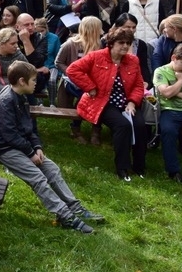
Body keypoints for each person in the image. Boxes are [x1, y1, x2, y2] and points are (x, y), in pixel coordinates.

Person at [0, 60, 104, 234]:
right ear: (22, 81)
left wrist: (37, 147)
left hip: (22, 146)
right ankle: (65, 216)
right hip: (5, 149)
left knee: (51, 169)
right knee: (37, 178)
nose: (36, 83)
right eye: (33, 80)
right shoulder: (5, 101)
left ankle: (75, 208)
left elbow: (29, 127)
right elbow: (10, 135)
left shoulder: (22, 97)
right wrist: (30, 153)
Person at [66, 27, 148, 181]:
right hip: (101, 102)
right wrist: (90, 87)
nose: (125, 46)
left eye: (128, 43)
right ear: (111, 43)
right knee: (122, 125)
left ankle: (139, 167)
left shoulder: (133, 60)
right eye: (121, 42)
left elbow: (138, 85)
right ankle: (122, 168)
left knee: (140, 125)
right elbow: (73, 70)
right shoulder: (96, 56)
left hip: (125, 102)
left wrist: (132, 102)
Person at [56, 16, 104, 144]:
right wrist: (72, 73)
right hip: (71, 81)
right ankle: (76, 127)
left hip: (93, 81)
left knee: (99, 96)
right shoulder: (70, 44)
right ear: (93, 29)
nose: (102, 31)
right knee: (86, 96)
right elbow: (58, 62)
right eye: (99, 28)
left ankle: (96, 129)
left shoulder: (100, 45)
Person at [153, 43, 182, 184]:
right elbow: (166, 93)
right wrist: (181, 81)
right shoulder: (161, 72)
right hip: (170, 111)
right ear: (174, 58)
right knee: (168, 131)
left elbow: (171, 93)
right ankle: (174, 172)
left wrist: (175, 93)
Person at [15, 13, 49, 96]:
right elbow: (12, 64)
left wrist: (26, 40)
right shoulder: (12, 38)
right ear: (17, 27)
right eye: (26, 25)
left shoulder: (40, 38)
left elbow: (36, 62)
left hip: (35, 78)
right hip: (16, 76)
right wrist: (37, 69)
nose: (30, 27)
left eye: (32, 24)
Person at [34, 17, 60, 106]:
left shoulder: (54, 38)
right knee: (37, 80)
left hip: (52, 65)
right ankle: (39, 102)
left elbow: (58, 55)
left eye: (42, 31)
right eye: (38, 32)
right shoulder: (34, 38)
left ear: (46, 28)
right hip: (39, 66)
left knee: (52, 80)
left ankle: (52, 102)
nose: (40, 33)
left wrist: (59, 71)